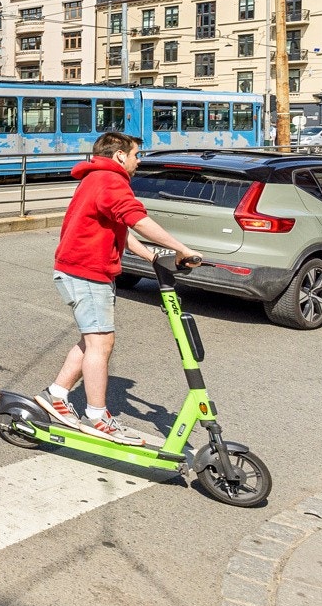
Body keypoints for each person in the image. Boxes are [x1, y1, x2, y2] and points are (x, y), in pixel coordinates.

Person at [35, 132, 202, 444]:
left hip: (83, 269)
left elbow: (122, 229)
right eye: (136, 154)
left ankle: (56, 394)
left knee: (91, 340)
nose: (139, 161)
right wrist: (182, 249)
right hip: (87, 272)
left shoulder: (95, 178)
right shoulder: (110, 181)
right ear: (120, 156)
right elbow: (137, 220)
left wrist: (153, 256)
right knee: (102, 344)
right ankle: (96, 416)